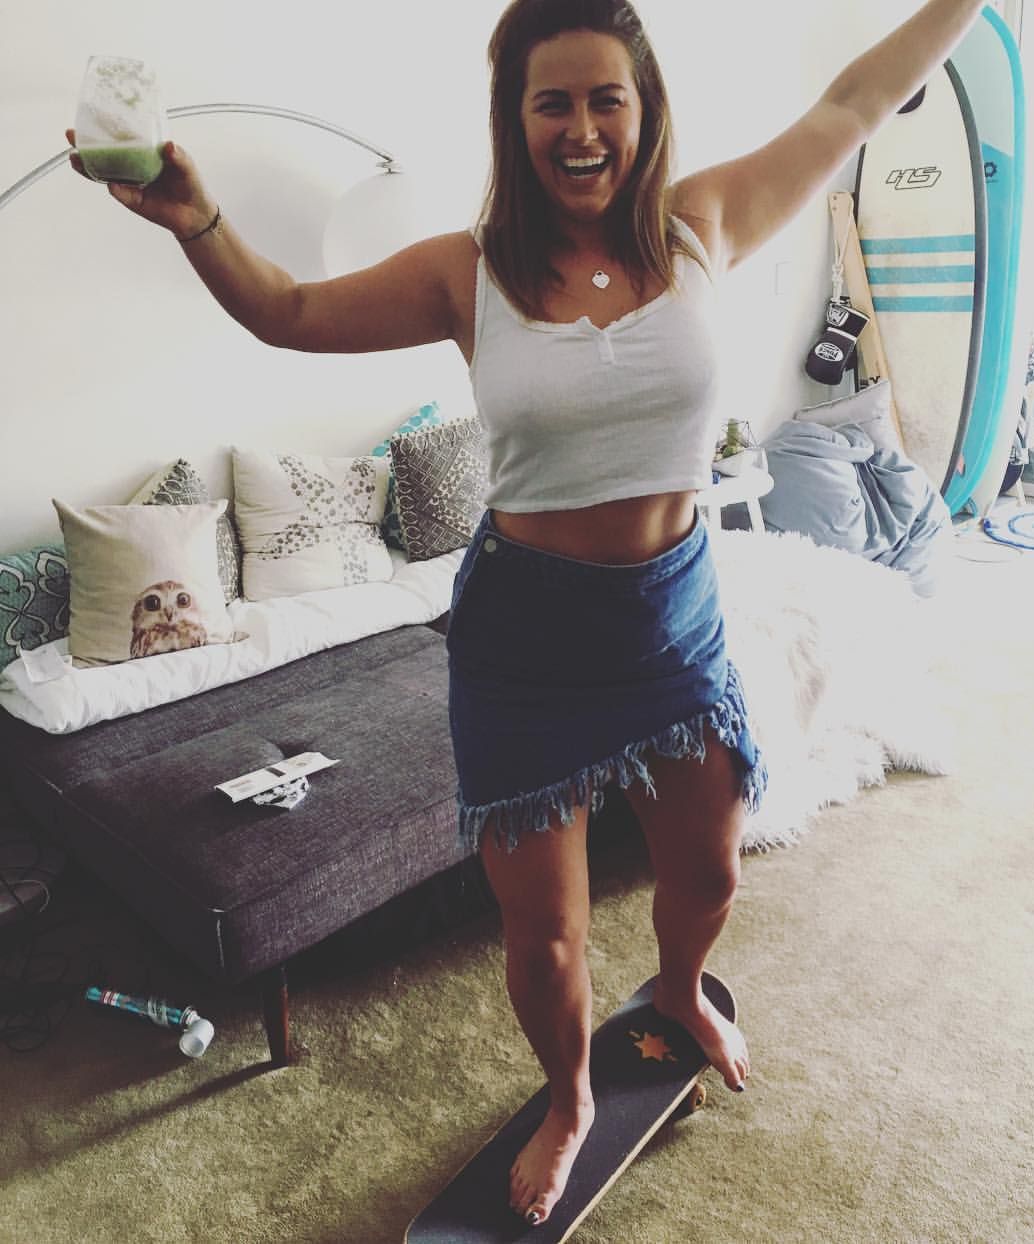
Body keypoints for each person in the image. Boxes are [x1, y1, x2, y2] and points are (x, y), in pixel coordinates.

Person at [67, 0, 984, 1225]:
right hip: (524, 643)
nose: (583, 128)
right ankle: (568, 1096)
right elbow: (288, 310)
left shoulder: (706, 223)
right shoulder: (470, 272)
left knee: (709, 866)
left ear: (645, 110)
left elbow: (854, 103)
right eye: (554, 102)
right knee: (544, 933)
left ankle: (680, 988)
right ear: (516, 119)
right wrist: (199, 221)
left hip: (672, 620)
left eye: (607, 98)